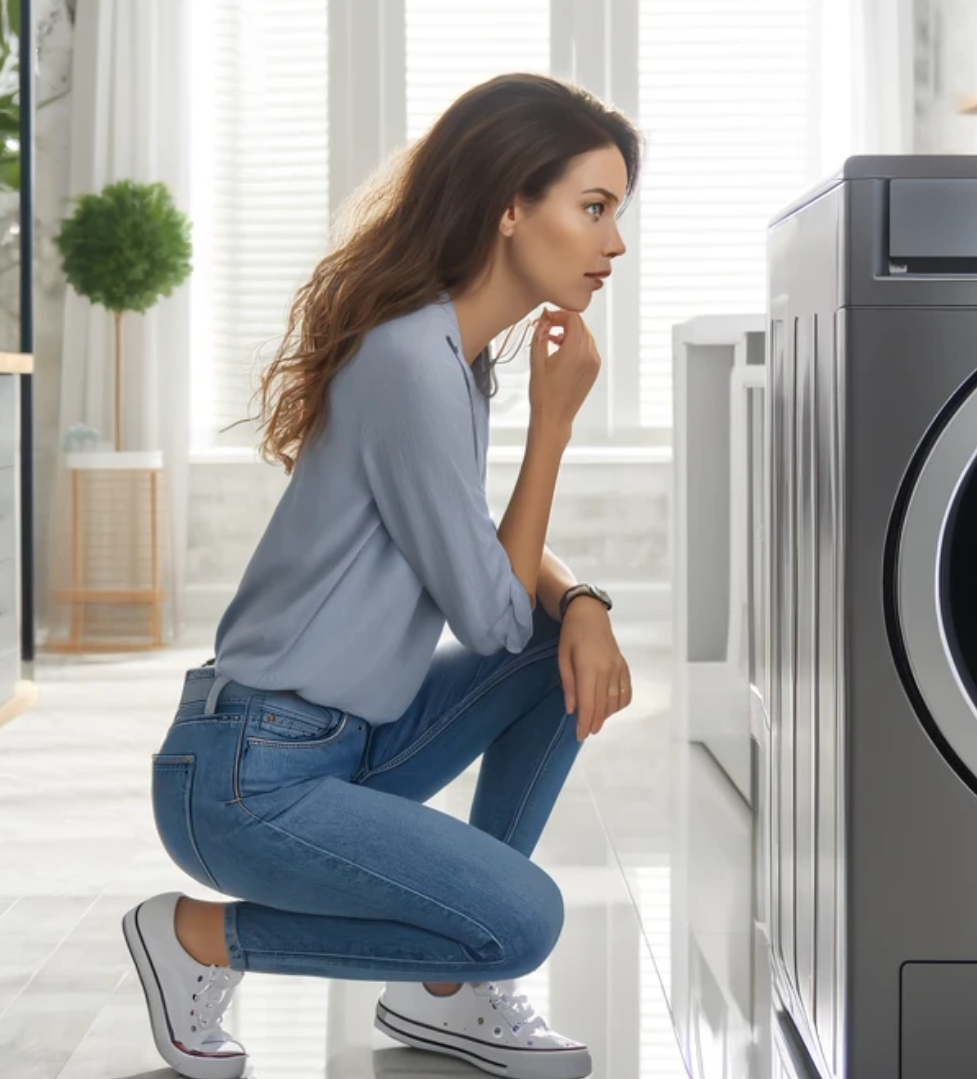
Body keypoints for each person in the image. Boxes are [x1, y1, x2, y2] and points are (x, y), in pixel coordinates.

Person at [121, 74, 640, 1079]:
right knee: (524, 918)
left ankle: (448, 988)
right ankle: (195, 937)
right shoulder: (410, 360)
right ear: (507, 206)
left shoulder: (453, 356)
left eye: (616, 211)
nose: (613, 241)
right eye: (593, 206)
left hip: (335, 746)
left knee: (550, 647)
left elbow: (494, 567)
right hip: (245, 775)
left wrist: (579, 601)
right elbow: (488, 611)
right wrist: (555, 426)